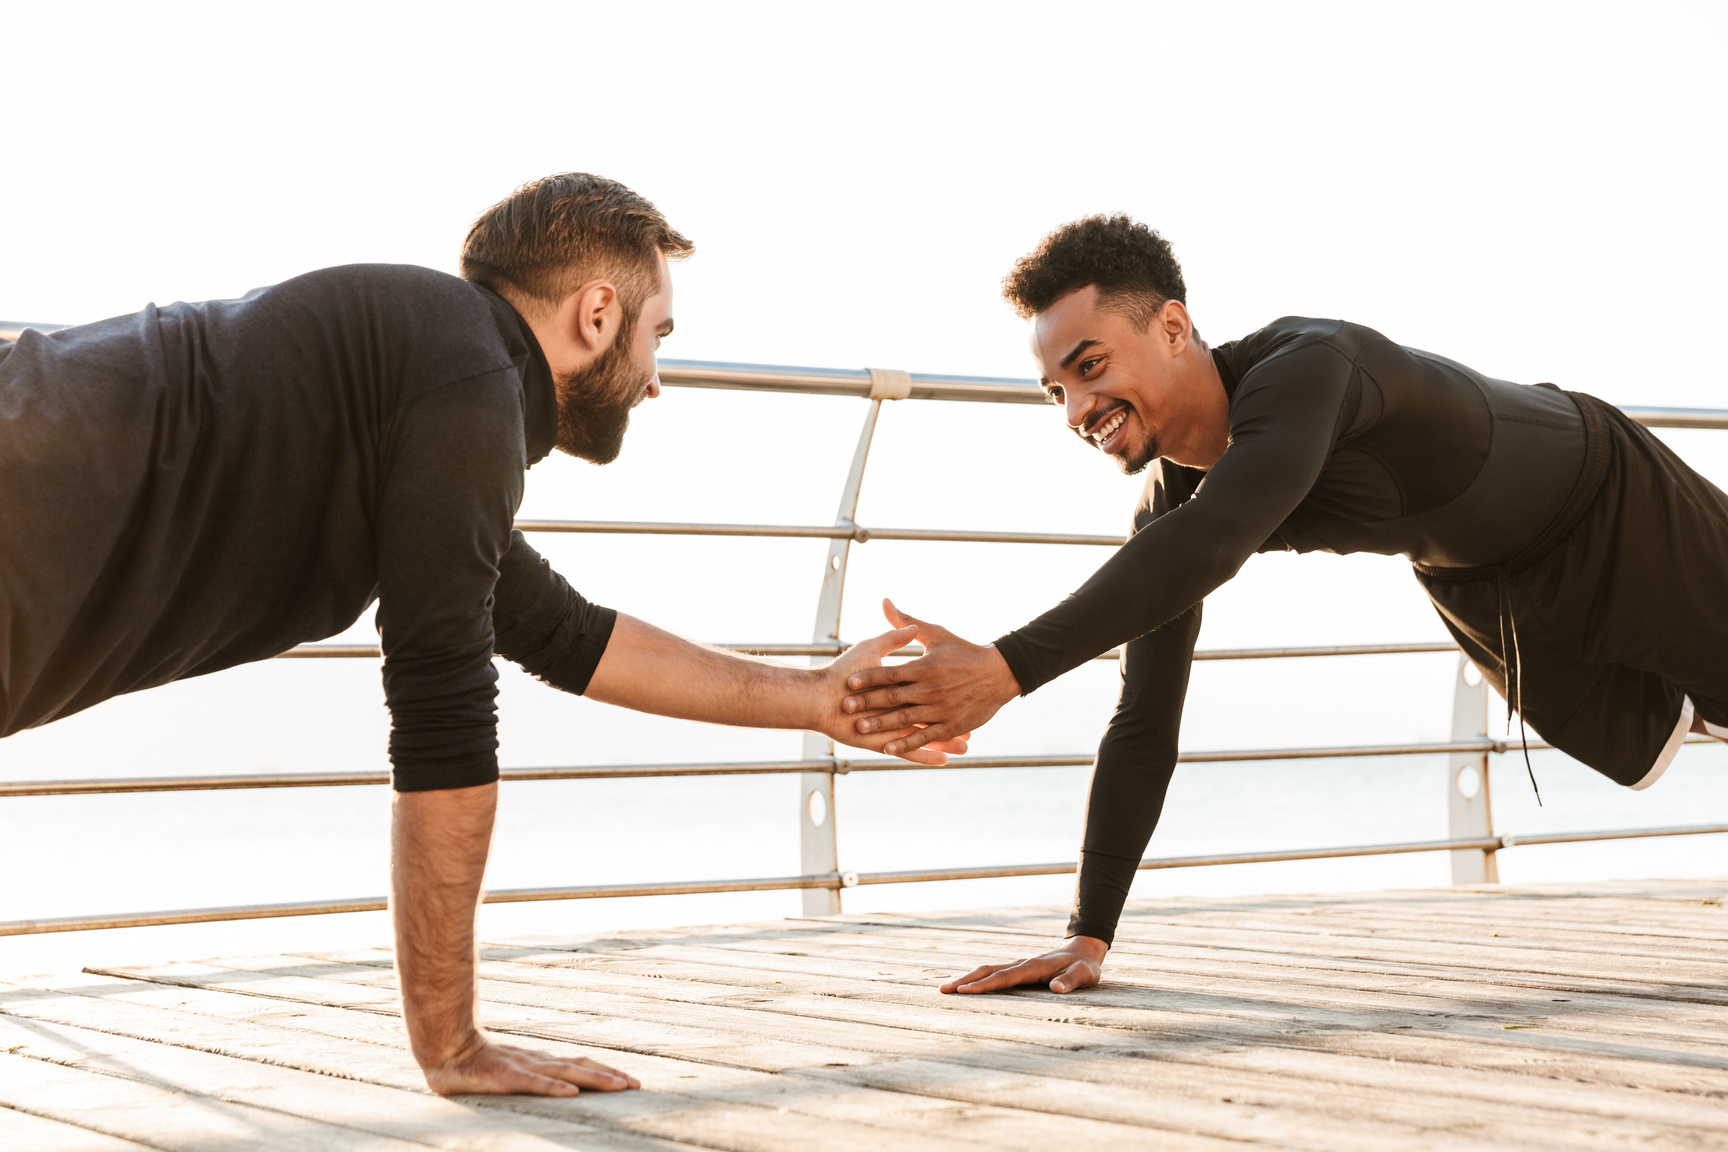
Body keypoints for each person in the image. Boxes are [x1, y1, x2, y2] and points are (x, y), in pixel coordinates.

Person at [0, 172, 965, 1095]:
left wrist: (813, 699)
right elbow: (442, 708)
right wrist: (451, 1040)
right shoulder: (459, 374)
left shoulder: (432, 367)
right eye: (656, 335)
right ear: (597, 315)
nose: (656, 379)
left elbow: (558, 629)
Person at [838, 213, 1728, 996]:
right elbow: (1144, 716)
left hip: (1607, 500)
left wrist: (1007, 667)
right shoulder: (1170, 509)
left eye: (1091, 365)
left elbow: (1216, 540)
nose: (1077, 407)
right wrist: (1088, 930)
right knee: (1675, 729)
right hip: (1481, 584)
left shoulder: (1311, 367)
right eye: (1056, 390)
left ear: (1175, 328)